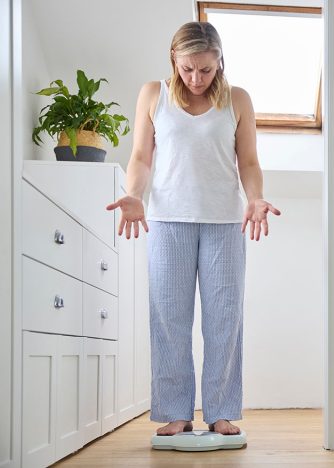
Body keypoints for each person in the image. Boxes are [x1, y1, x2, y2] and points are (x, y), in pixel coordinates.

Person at [106, 21, 280, 436]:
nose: (197, 79)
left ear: (220, 61)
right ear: (174, 60)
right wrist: (134, 194)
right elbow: (141, 158)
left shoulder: (237, 99)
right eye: (188, 69)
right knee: (169, 318)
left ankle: (221, 410)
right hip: (167, 221)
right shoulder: (154, 95)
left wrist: (255, 198)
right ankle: (175, 411)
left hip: (224, 222)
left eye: (206, 69)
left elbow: (249, 162)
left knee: (224, 318)